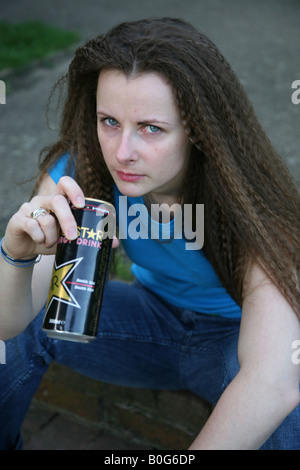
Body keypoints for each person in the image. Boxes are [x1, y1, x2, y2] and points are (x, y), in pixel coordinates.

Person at [0, 17, 299, 450]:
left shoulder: (248, 203)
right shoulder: (83, 174)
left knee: (287, 408)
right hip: (150, 323)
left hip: (233, 341)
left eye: (151, 128)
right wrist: (16, 253)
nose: (123, 152)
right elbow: (8, 326)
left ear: (197, 128)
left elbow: (270, 383)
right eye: (109, 121)